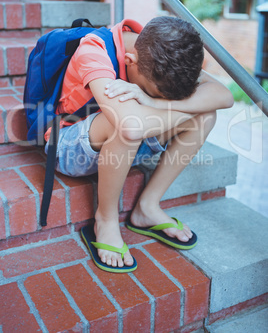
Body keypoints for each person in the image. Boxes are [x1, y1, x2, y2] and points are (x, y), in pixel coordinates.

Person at [45, 16, 234, 273]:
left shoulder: (166, 49)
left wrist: (156, 103)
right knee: (126, 123)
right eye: (154, 92)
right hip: (69, 147)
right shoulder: (93, 50)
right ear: (129, 61)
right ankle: (106, 220)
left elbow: (224, 96)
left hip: (128, 142)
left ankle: (147, 207)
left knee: (207, 116)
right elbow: (131, 126)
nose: (154, 97)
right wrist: (185, 109)